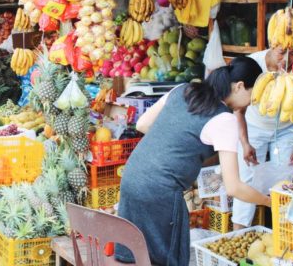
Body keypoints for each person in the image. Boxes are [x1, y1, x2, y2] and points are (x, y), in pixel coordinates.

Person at [116, 57, 271, 266]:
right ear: (240, 86)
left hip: (132, 177)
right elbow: (234, 187)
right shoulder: (224, 120)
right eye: (253, 95)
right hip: (160, 191)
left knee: (135, 255)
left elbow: (143, 124)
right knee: (164, 259)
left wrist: (175, 145)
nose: (253, 102)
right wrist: (268, 202)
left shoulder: (183, 89)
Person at [232, 47, 293, 230]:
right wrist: (244, 143)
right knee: (246, 179)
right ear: (273, 45)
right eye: (281, 53)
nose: (286, 60)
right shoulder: (252, 66)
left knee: (285, 180)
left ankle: (283, 235)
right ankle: (238, 233)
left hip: (287, 127)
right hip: (253, 127)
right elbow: (238, 109)